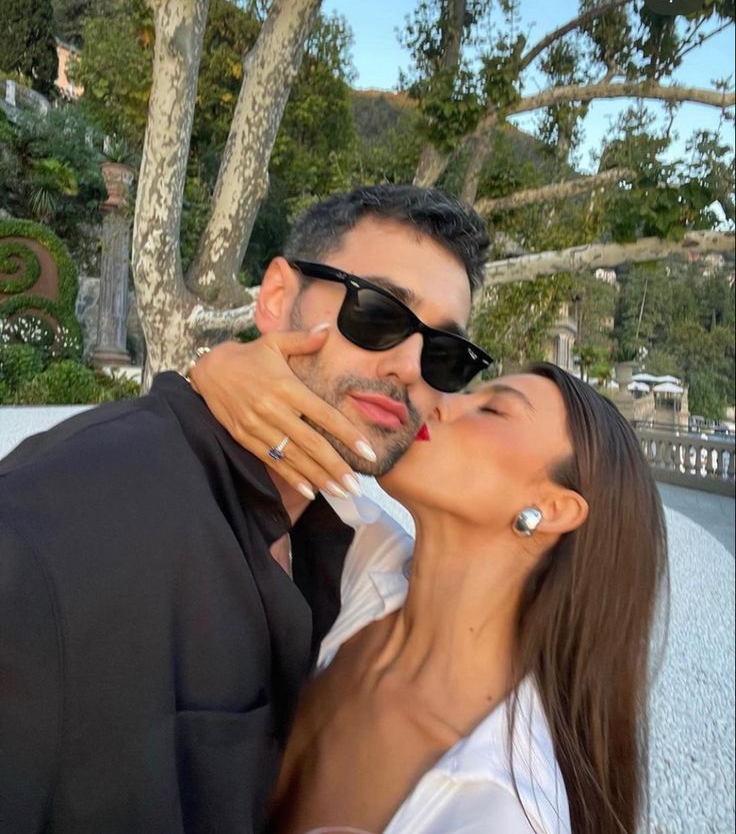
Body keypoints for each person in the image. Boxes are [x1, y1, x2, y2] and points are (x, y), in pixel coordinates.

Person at [0, 184, 492, 833]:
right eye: (377, 313)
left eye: (446, 354)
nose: (409, 366)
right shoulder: (65, 517)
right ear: (277, 297)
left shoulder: (341, 546)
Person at [189, 351, 668, 834]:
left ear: (553, 508)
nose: (437, 403)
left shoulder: (493, 809)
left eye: (493, 409)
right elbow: (252, 404)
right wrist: (216, 368)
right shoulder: (368, 566)